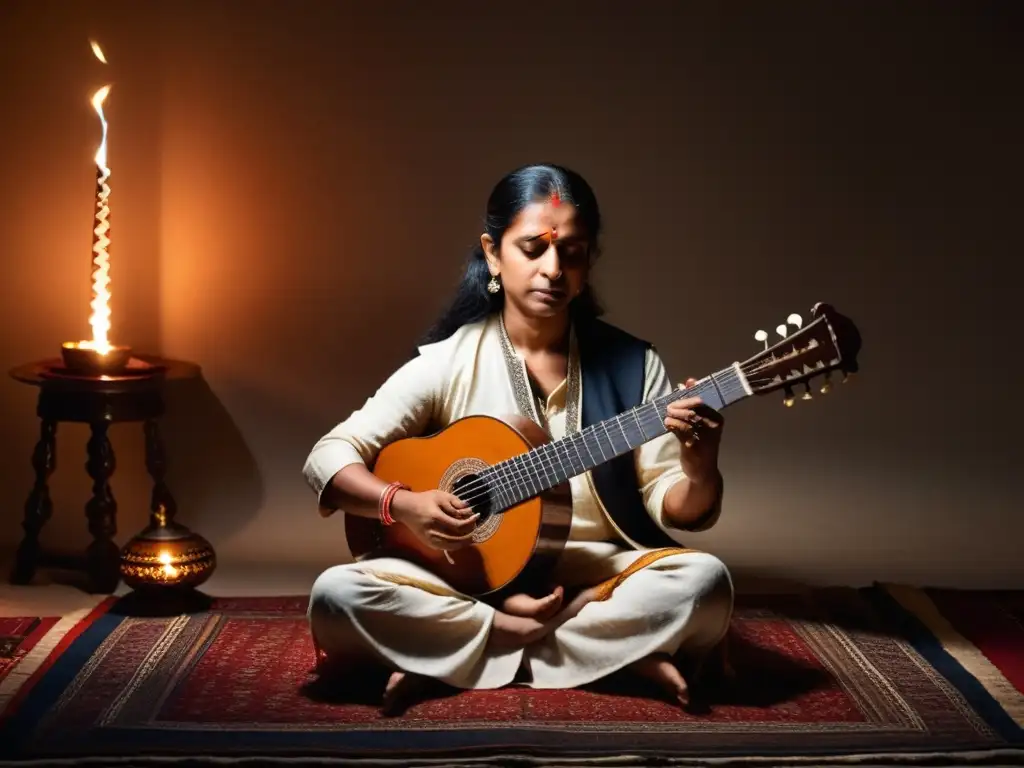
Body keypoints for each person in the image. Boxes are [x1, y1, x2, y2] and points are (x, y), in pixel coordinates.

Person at [303, 163, 734, 714]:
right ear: (492, 254)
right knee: (337, 596)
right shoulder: (448, 362)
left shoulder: (634, 366)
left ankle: (454, 655)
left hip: (592, 576)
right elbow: (327, 458)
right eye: (533, 248)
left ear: (588, 262)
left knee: (705, 583)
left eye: (571, 252)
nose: (553, 269)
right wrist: (403, 504)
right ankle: (604, 653)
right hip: (463, 581)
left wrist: (700, 467)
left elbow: (681, 509)